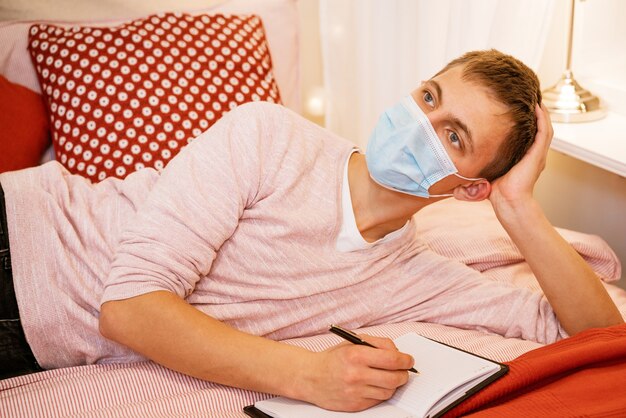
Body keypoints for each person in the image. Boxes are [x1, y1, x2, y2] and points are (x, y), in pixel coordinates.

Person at [0, 49, 622, 411]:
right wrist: (309, 375)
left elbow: (596, 335)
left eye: (453, 136)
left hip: (32, 339)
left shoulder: (419, 277)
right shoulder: (269, 136)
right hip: (23, 237)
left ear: (469, 188)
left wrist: (516, 206)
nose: (420, 126)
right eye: (429, 98)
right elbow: (129, 308)